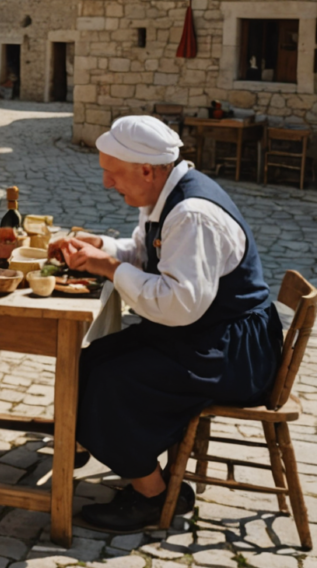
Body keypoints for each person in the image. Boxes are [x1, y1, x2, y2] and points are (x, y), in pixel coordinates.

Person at [50, 115, 283, 533]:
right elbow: (146, 255)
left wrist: (109, 269)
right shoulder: (163, 196)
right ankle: (116, 455)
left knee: (115, 381)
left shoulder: (192, 214)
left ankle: (155, 498)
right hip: (204, 333)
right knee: (90, 360)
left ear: (146, 170)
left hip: (232, 352)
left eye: (112, 173)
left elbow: (180, 304)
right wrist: (100, 248)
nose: (107, 183)